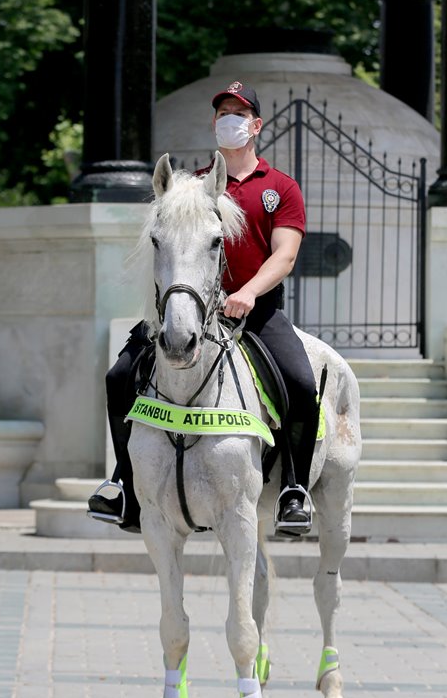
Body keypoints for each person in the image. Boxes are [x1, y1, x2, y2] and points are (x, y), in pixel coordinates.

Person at [88, 81, 319, 537]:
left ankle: (294, 488)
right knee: (119, 377)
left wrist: (249, 292)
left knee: (301, 384)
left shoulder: (280, 188)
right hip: (189, 309)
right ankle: (126, 487)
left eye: (238, 112)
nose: (228, 119)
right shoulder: (188, 187)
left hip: (255, 312)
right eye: (221, 113)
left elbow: (285, 254)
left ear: (255, 125)